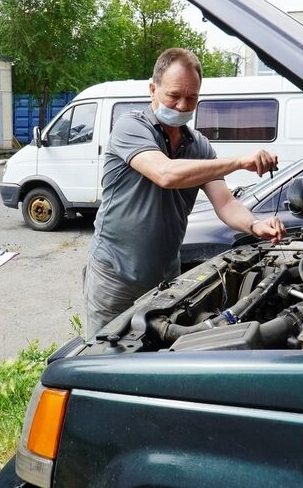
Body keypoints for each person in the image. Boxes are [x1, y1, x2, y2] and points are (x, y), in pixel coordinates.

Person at [84, 48, 287, 337]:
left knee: (156, 354)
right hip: (114, 276)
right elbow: (165, 174)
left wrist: (256, 225)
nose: (181, 106)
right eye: (174, 96)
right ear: (153, 89)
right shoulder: (130, 127)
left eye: (191, 98)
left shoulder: (199, 145)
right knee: (103, 359)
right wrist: (241, 161)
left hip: (165, 280)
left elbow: (226, 202)